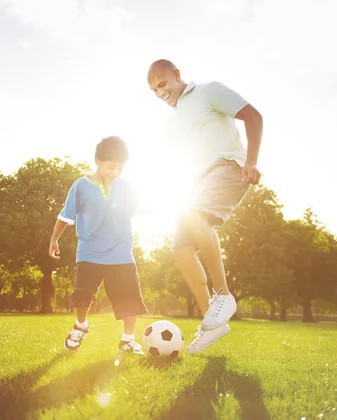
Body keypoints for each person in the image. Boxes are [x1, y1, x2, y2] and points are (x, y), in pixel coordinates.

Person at [147, 59, 263, 354]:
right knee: (180, 250)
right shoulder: (171, 122)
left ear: (176, 75)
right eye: (154, 89)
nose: (160, 92)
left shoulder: (209, 92)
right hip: (199, 185)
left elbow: (253, 116)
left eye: (162, 84)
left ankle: (223, 295)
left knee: (198, 217)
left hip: (228, 168)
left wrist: (251, 162)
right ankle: (212, 322)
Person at [49, 136, 148, 354]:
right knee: (82, 293)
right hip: (89, 250)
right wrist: (54, 239)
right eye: (111, 166)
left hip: (121, 251)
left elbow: (139, 210)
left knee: (129, 297)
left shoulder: (126, 186)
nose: (115, 172)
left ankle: (128, 340)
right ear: (97, 161)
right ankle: (81, 326)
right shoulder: (81, 185)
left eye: (120, 168)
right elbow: (66, 216)